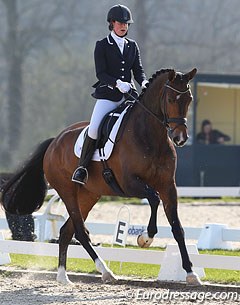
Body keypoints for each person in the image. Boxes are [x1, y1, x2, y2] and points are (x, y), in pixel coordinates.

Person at [72, 4, 148, 184]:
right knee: (95, 127)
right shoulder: (102, 45)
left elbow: (138, 70)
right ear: (112, 23)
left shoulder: (132, 46)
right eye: (121, 23)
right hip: (108, 96)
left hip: (129, 95)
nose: (124, 26)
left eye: (127, 24)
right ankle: (82, 168)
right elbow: (101, 73)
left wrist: (144, 82)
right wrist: (116, 83)